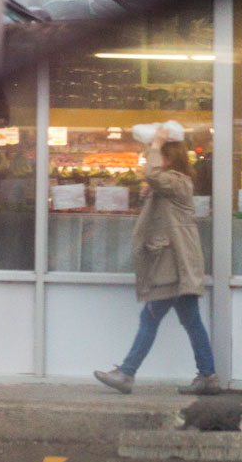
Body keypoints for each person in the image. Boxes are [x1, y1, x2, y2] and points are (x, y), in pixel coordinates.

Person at [94, 127, 221, 396]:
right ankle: (208, 376)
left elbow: (151, 173)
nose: (148, 156)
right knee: (191, 321)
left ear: (169, 157)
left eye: (156, 153)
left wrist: (157, 141)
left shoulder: (176, 180)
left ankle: (127, 373)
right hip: (174, 262)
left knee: (150, 317)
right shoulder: (172, 182)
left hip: (173, 265)